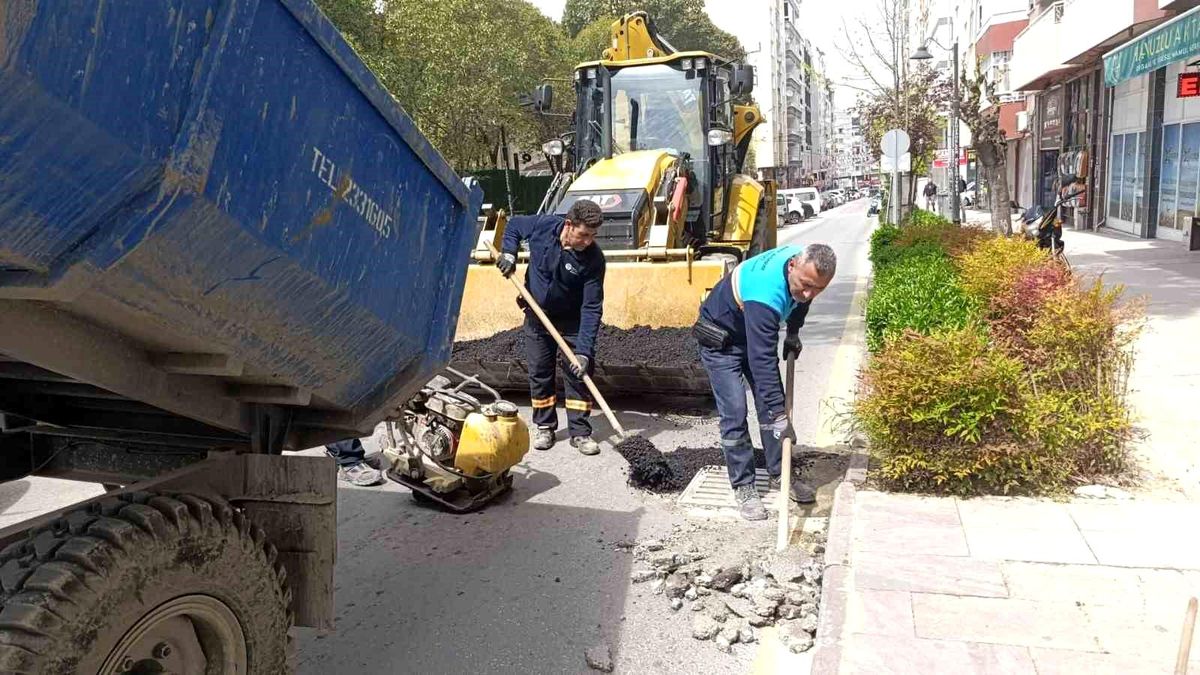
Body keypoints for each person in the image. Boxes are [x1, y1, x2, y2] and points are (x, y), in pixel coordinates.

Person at [693, 244, 836, 521]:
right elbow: (762, 362)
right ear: (792, 265)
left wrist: (793, 332)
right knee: (735, 413)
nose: (808, 293)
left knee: (772, 409)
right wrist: (781, 415)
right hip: (721, 340)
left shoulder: (806, 269)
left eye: (818, 289)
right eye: (805, 285)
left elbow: (800, 303)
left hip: (752, 333)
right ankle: (744, 487)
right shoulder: (765, 294)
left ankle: (779, 473)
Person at [497, 199, 606, 455]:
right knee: (539, 372)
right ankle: (545, 427)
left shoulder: (594, 259)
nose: (588, 241)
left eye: (593, 236)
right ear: (568, 225)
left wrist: (583, 351)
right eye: (584, 235)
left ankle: (580, 432)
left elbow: (592, 307)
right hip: (536, 315)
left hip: (572, 322)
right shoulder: (544, 226)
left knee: (578, 373)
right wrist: (509, 253)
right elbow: (513, 226)